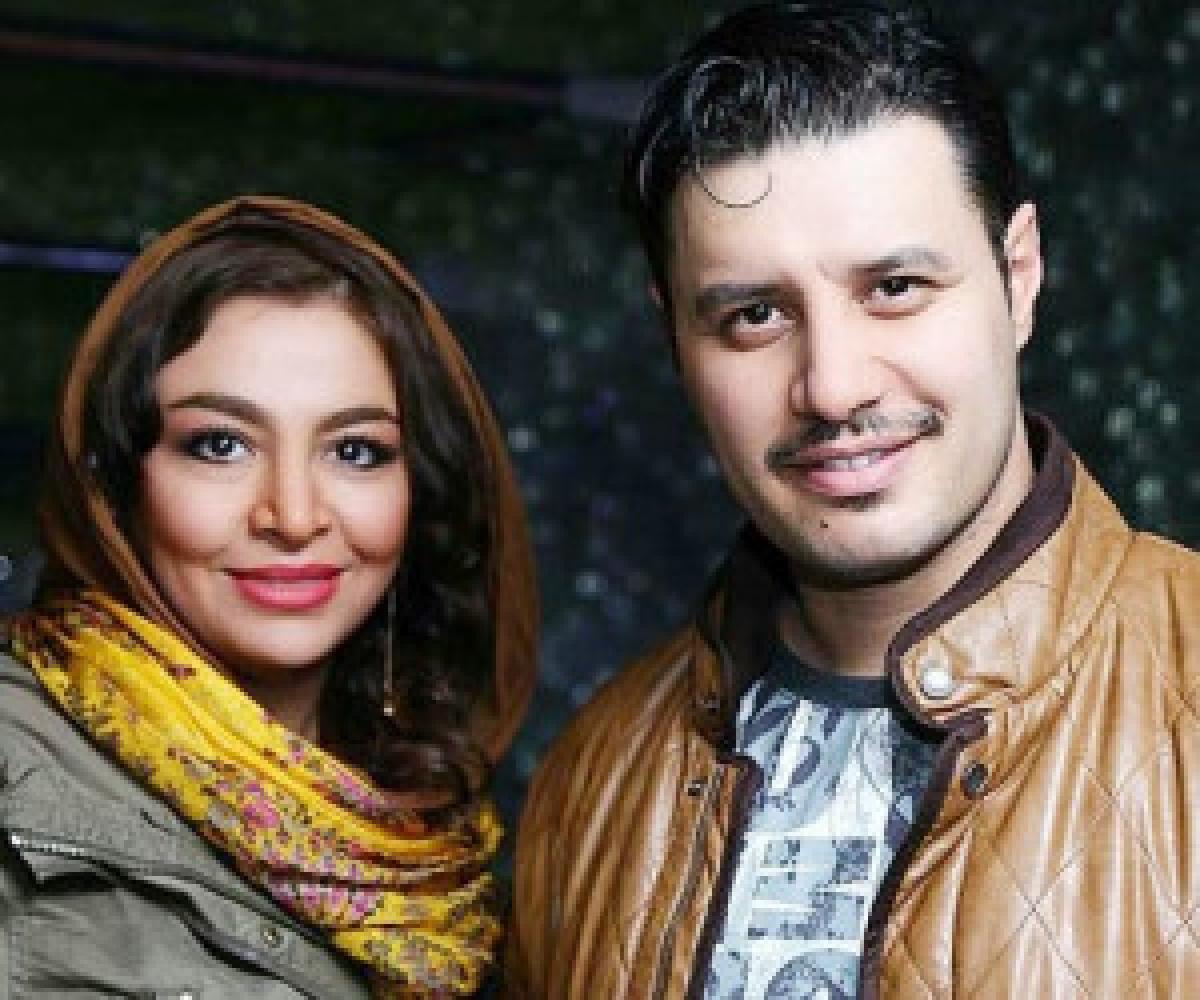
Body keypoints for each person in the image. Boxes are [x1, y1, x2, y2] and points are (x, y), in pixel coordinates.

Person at [507, 3, 1200, 997]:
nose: (832, 387)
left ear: (1018, 278)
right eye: (755, 314)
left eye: (896, 288)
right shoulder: (593, 779)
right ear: (675, 342)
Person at [0, 195, 537, 998]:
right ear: (115, 486)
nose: (292, 515)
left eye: (355, 451)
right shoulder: (14, 760)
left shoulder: (437, 838)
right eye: (221, 445)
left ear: (419, 492)